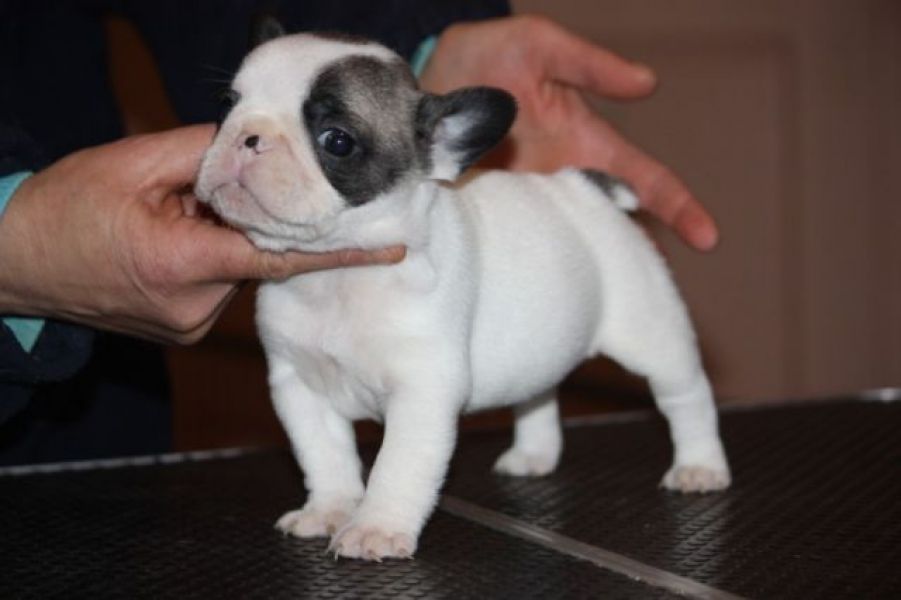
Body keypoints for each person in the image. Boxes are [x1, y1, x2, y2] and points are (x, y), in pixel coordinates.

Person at [0, 3, 717, 464]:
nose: (249, 140)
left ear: (439, 153)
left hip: (89, 409)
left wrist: (420, 42)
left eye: (335, 141)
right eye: (238, 106)